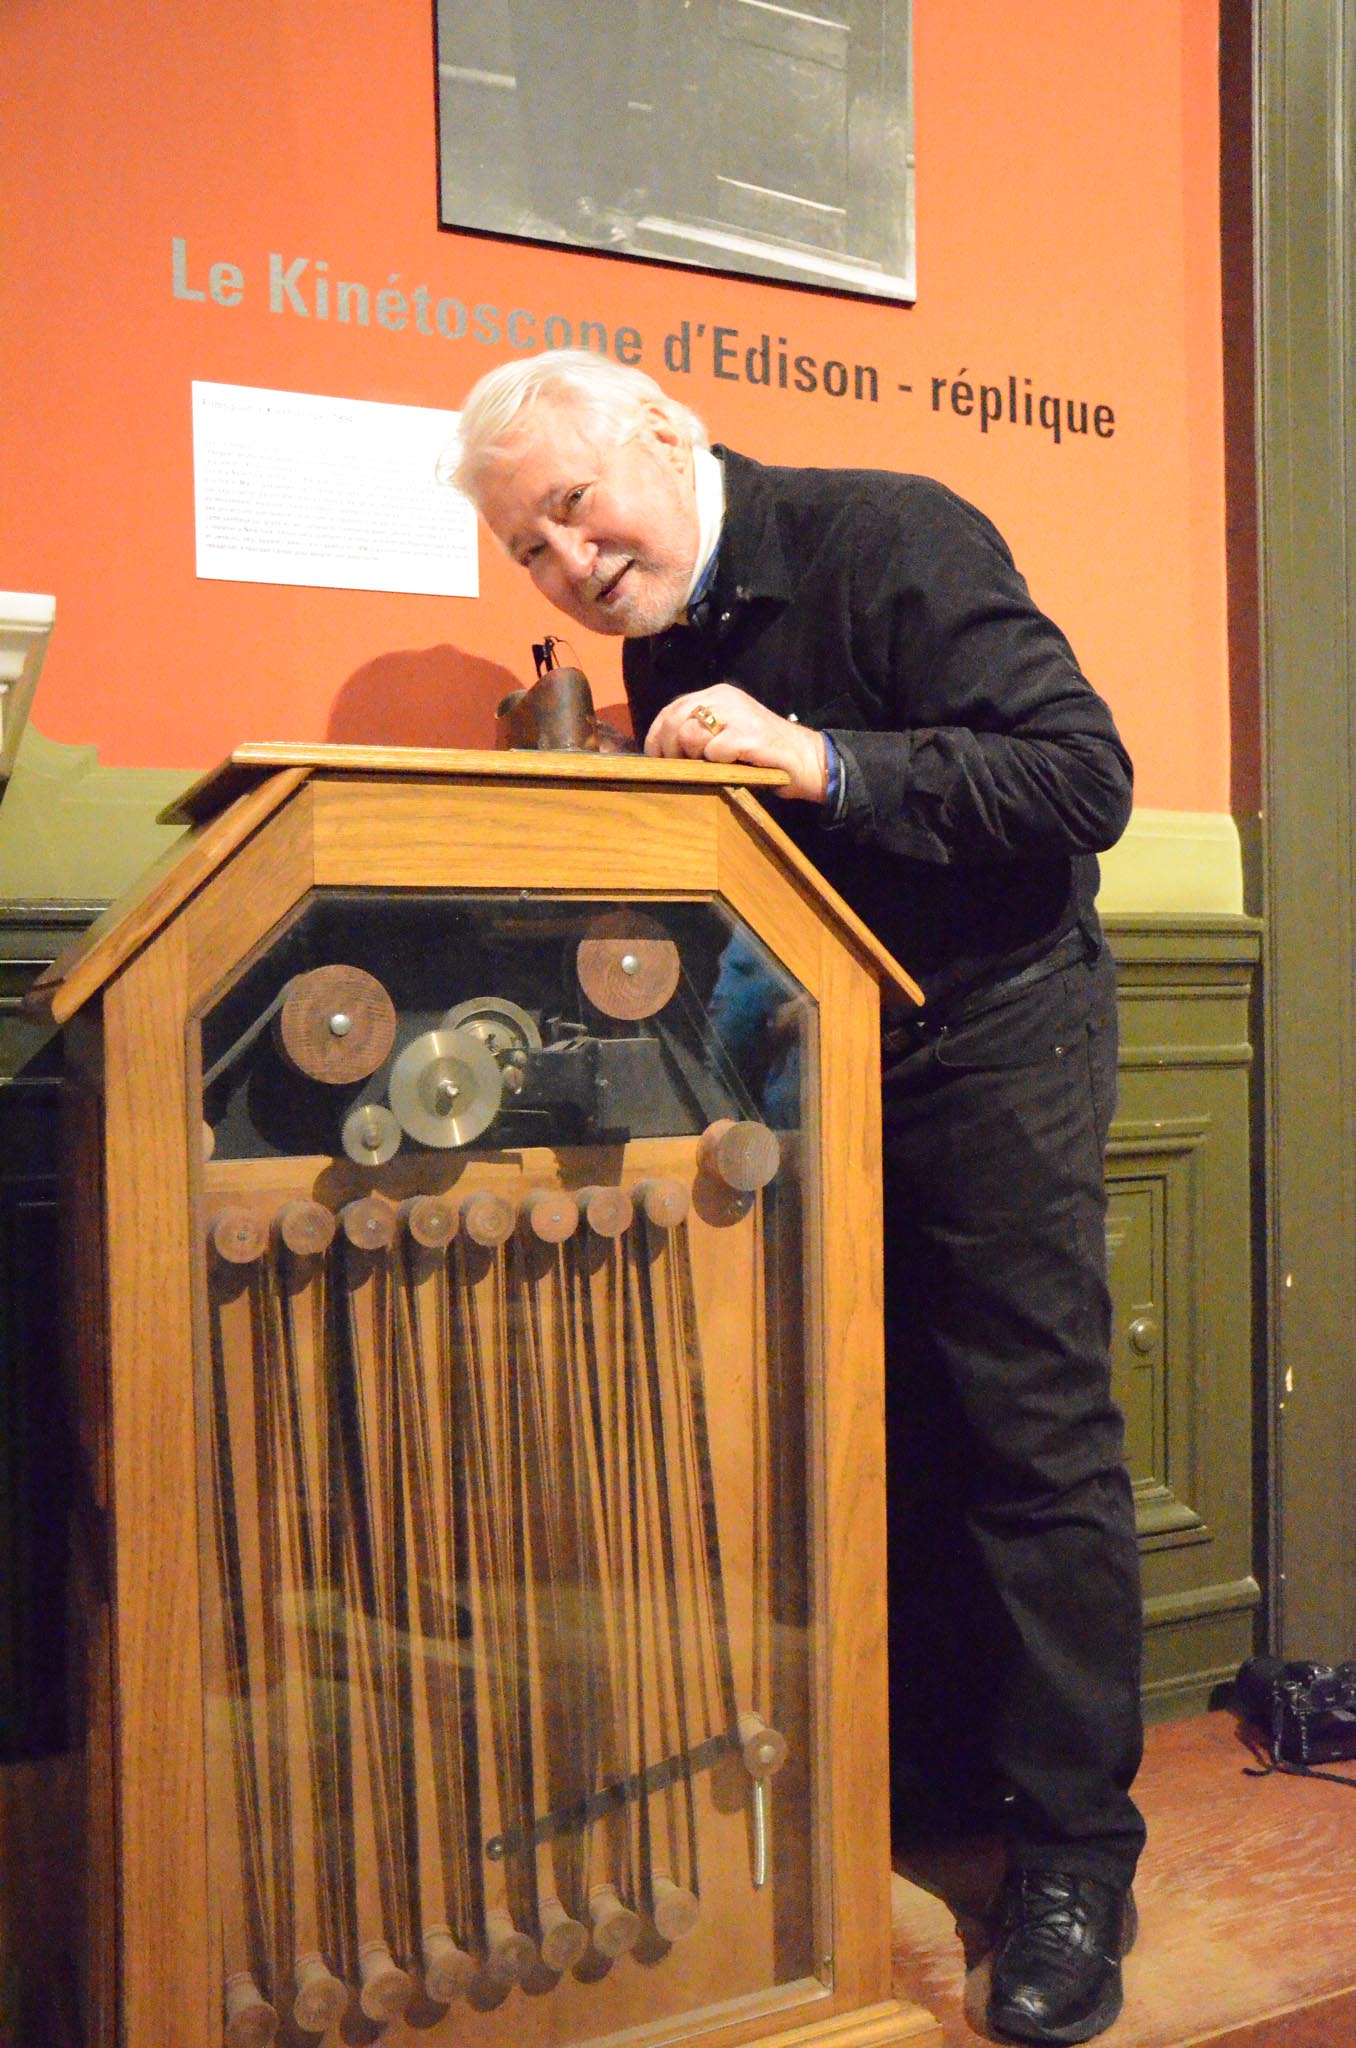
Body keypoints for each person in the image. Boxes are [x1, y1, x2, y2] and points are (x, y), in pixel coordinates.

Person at [452, 348, 1145, 2047]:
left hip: (998, 1028)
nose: (570, 564)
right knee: (879, 1422)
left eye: (576, 507)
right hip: (814, 1042)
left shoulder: (890, 532)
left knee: (1031, 1435)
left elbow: (1084, 782)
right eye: (530, 550)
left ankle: (1075, 1861)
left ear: (666, 431)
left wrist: (824, 758)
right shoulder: (660, 636)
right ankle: (936, 1782)